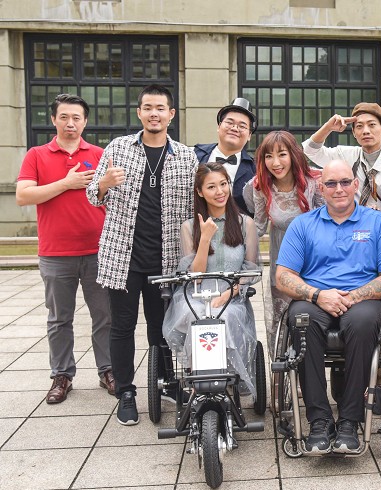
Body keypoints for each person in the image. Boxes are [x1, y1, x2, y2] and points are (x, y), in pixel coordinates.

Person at [302, 103, 381, 412]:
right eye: (358, 126)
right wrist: (330, 127)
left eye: (371, 125)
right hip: (355, 245)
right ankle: (373, 383)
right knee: (364, 316)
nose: (365, 131)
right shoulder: (346, 155)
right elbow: (310, 150)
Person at [86, 84, 198, 426]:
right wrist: (104, 183)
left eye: (160, 108)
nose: (154, 114)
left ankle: (165, 382)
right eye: (148, 107)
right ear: (139, 113)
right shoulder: (118, 148)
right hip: (123, 259)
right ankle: (126, 392)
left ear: (171, 114)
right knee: (121, 327)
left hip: (165, 260)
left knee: (160, 329)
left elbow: (194, 207)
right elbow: (92, 195)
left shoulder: (186, 156)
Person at [275, 159, 381, 454]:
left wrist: (353, 297)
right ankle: (319, 421)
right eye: (331, 183)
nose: (339, 189)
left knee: (361, 322)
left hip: (363, 301)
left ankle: (349, 421)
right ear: (321, 188)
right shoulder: (303, 224)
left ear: (356, 185)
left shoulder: (379, 222)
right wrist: (318, 295)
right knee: (301, 319)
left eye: (345, 182)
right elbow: (283, 276)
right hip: (316, 300)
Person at [16, 93, 113, 404]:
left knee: (105, 315)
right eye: (64, 117)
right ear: (53, 120)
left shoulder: (99, 154)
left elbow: (115, 196)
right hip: (56, 254)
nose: (70, 123)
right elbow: (23, 195)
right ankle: (62, 375)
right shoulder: (37, 155)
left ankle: (108, 370)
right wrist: (66, 183)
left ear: (85, 121)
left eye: (76, 118)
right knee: (59, 319)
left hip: (98, 251)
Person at [162, 163, 262, 395]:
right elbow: (194, 276)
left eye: (223, 184)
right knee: (197, 316)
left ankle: (224, 377)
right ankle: (199, 379)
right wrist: (205, 239)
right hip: (197, 294)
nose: (220, 191)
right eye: (211, 187)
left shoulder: (244, 223)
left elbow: (250, 269)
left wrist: (229, 293)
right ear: (199, 192)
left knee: (223, 316)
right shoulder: (189, 227)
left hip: (231, 295)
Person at [243, 131, 323, 356]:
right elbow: (258, 226)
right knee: (282, 316)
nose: (275, 163)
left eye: (282, 154)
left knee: (311, 314)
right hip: (282, 258)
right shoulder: (260, 186)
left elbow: (326, 223)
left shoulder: (314, 182)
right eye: (269, 156)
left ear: (294, 154)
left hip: (314, 257)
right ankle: (282, 365)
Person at [194, 97, 257, 216]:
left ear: (249, 135)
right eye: (229, 123)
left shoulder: (255, 170)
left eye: (242, 126)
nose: (234, 128)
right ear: (219, 126)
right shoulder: (195, 155)